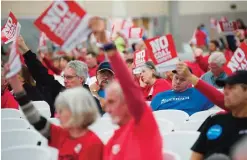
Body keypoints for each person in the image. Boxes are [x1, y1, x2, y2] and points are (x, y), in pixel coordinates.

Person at [4, 66, 104, 160]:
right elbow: (35, 119)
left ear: (76, 111)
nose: (57, 116)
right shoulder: (63, 134)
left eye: (61, 111)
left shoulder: (93, 144)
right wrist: (16, 85)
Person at [96, 33, 163, 160]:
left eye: (112, 102)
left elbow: (129, 86)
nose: (107, 109)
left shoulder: (144, 123)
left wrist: (109, 47)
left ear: (127, 101)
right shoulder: (114, 138)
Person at [174, 63, 247, 159]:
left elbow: (217, 97)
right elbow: (196, 156)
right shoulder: (215, 121)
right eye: (225, 87)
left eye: (231, 88)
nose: (225, 91)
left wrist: (190, 77)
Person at [17, 36, 103, 116]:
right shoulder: (58, 92)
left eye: (69, 77)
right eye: (64, 77)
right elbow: (41, 74)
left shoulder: (91, 102)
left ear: (80, 79)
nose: (65, 80)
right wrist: (24, 49)